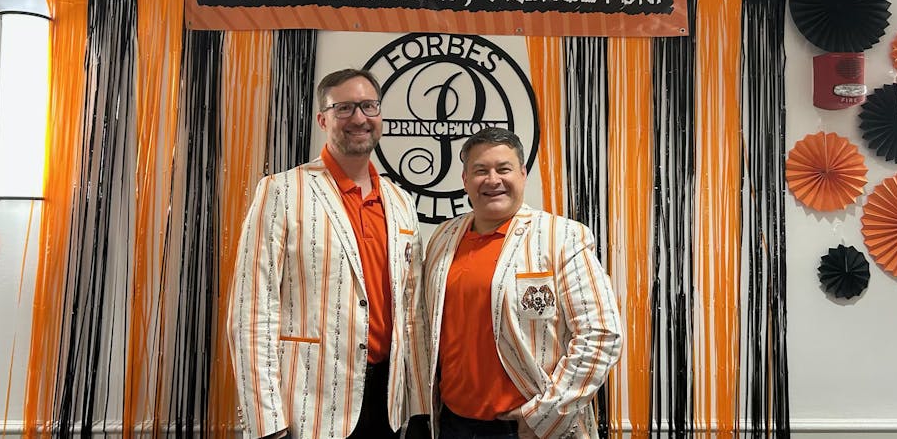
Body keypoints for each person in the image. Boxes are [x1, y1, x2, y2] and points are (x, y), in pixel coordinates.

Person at [228, 68, 429, 439]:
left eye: (368, 106)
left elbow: (412, 312)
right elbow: (251, 311)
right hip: (309, 408)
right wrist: (267, 423)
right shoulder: (281, 191)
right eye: (344, 108)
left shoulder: (401, 202)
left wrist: (418, 408)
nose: (359, 118)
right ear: (323, 119)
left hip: (388, 405)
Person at [422, 127, 622, 439]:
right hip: (451, 423)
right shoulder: (443, 238)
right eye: (480, 170)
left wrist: (546, 414)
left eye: (503, 169)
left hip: (525, 427)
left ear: (523, 174)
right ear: (465, 180)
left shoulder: (561, 237)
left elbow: (601, 334)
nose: (492, 180)